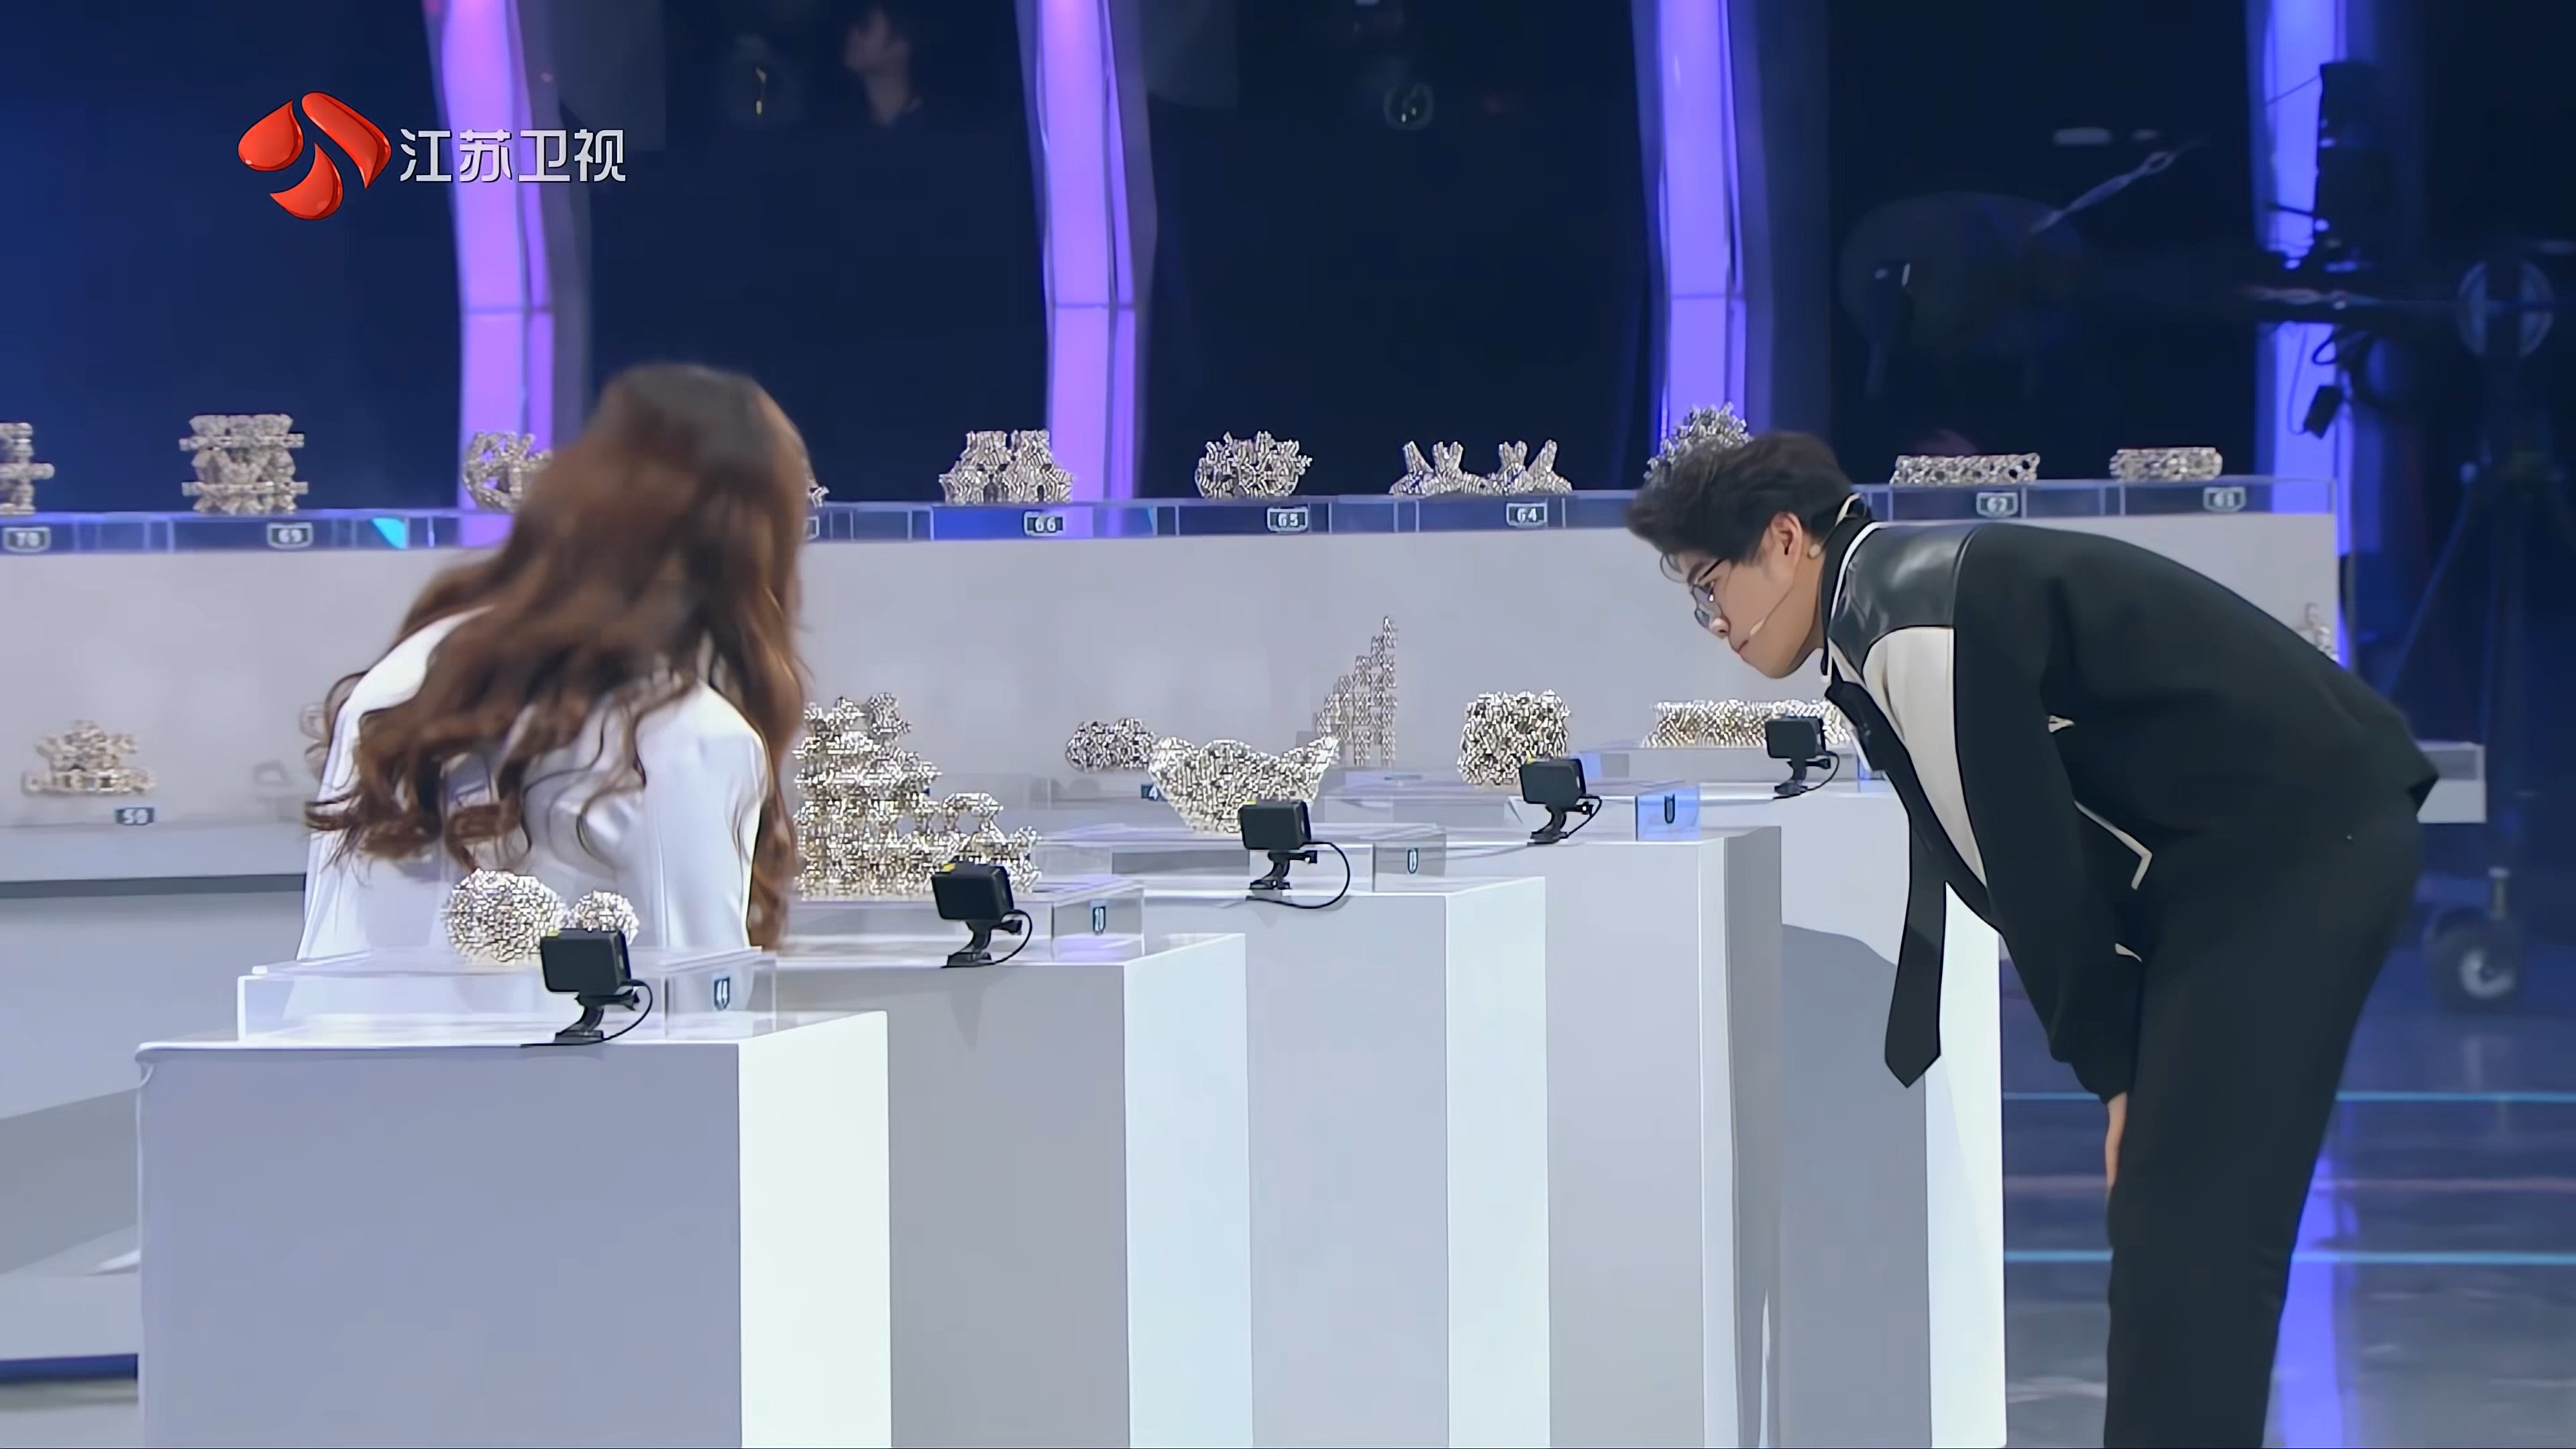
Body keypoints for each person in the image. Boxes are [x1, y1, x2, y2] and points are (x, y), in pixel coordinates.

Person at [1626, 430, 2434, 1448]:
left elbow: (2030, 864)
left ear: (1786, 540)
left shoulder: (1910, 620)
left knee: (2192, 1238)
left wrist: (2117, 1070)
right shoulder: (1892, 607)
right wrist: (2126, 1065)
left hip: (2293, 846)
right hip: (2246, 860)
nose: (1715, 625)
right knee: (2176, 1230)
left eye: (1711, 586)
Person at [302, 364, 813, 957]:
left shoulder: (405, 674)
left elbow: (327, 947)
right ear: (746, 549)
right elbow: (697, 995)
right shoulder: (684, 735)